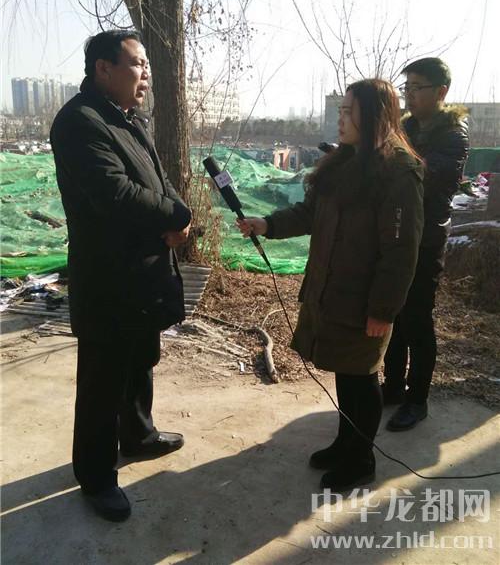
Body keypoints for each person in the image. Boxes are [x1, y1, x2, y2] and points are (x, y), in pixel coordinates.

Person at [237, 79, 424, 491]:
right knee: (345, 371)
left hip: (365, 300)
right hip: (332, 291)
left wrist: (383, 310)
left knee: (362, 377)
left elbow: (401, 252)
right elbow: (310, 213)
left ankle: (362, 460)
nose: (341, 119)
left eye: (348, 111)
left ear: (374, 115)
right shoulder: (343, 162)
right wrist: (266, 224)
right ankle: (345, 443)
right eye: (340, 110)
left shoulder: (398, 173)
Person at [50, 30, 192, 521]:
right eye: (137, 63)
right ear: (103, 69)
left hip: (144, 272)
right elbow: (115, 193)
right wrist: (174, 215)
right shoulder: (79, 122)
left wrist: (178, 215)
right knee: (103, 380)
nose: (146, 73)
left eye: (147, 64)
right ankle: (95, 476)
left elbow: (158, 179)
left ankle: (138, 435)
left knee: (139, 361)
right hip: (107, 277)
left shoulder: (129, 119)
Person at [382, 58, 469, 431]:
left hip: (427, 238)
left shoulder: (453, 136)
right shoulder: (406, 127)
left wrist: (386, 159)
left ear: (441, 91)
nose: (410, 95)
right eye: (407, 88)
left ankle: (417, 400)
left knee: (416, 318)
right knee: (392, 313)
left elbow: (422, 174)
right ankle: (392, 386)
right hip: (397, 234)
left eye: (417, 88)